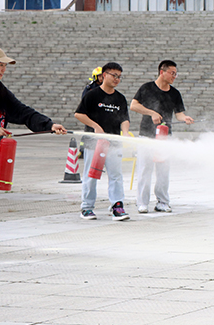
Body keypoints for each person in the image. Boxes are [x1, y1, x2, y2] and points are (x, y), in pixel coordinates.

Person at [0, 47, 66, 261]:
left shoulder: (0, 92)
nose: (3, 69)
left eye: (5, 66)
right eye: (0, 65)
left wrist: (49, 125)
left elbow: (23, 112)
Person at [130, 60, 194, 214]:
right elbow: (133, 105)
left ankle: (163, 202)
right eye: (172, 73)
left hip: (165, 138)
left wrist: (185, 118)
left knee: (163, 172)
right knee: (144, 170)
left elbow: (179, 114)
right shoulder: (147, 88)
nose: (174, 76)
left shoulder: (174, 93)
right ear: (162, 72)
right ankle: (142, 203)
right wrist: (151, 113)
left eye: (175, 74)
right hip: (146, 135)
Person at [74, 62, 131, 221]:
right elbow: (79, 114)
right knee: (91, 175)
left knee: (116, 175)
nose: (117, 79)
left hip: (114, 143)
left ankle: (117, 206)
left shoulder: (120, 98)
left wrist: (125, 132)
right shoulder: (92, 95)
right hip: (94, 143)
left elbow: (124, 119)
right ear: (104, 75)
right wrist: (95, 127)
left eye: (119, 76)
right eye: (114, 75)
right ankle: (87, 207)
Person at [79, 66, 105, 158]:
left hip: (102, 115)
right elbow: (84, 100)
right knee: (88, 133)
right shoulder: (90, 88)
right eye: (99, 76)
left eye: (103, 76)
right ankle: (82, 150)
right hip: (91, 115)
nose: (101, 78)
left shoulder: (105, 88)